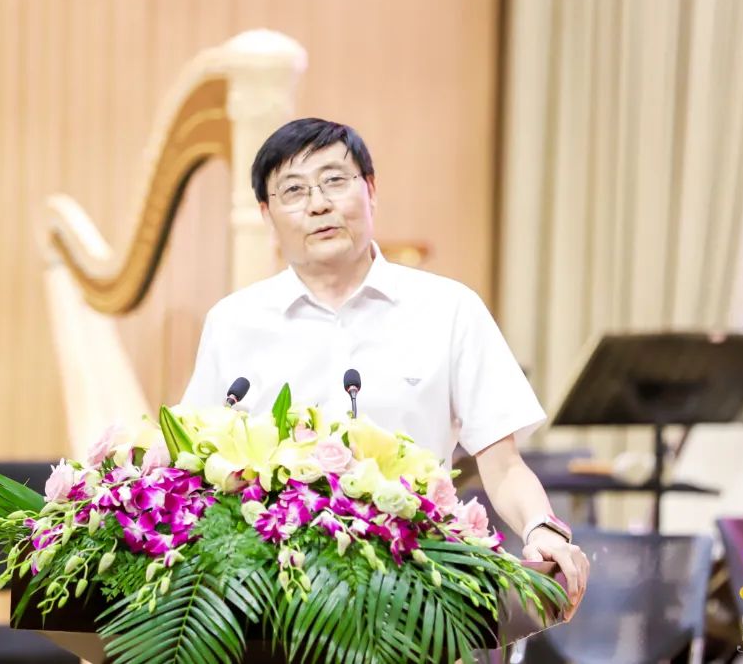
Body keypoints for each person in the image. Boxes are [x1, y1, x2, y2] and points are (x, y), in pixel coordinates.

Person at [182, 117, 588, 617]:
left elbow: (502, 466)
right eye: (294, 191)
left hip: (414, 597)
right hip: (270, 604)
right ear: (267, 215)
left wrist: (542, 527)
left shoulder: (449, 309)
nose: (318, 204)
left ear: (370, 190)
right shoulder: (233, 322)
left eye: (334, 180)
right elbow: (193, 466)